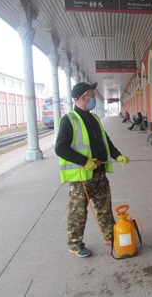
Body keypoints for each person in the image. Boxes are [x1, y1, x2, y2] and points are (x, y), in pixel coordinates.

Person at [55, 81, 130, 258]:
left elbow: (106, 140)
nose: (94, 97)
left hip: (99, 173)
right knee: (78, 212)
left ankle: (110, 235)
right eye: (91, 94)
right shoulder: (69, 120)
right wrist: (84, 161)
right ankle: (75, 244)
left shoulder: (94, 118)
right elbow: (60, 148)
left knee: (104, 208)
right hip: (81, 177)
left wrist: (117, 155)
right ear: (83, 97)